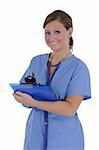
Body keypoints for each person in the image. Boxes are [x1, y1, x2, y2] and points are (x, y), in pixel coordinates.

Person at [13, 10, 91, 150]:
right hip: (35, 136)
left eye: (57, 32)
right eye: (47, 33)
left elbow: (70, 109)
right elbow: (24, 97)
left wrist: (33, 102)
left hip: (65, 140)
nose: (51, 37)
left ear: (70, 31)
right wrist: (21, 97)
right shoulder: (36, 62)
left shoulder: (78, 68)